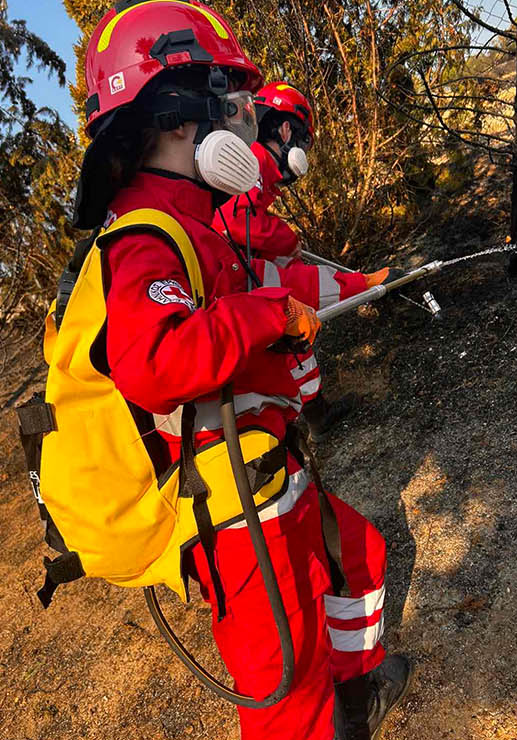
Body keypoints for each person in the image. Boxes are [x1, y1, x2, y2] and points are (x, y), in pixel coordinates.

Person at [72, 2, 411, 737]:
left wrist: (323, 305)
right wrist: (266, 317)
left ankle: (355, 698)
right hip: (232, 508)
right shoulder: (144, 235)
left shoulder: (192, 222)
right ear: (173, 118)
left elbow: (249, 313)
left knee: (351, 563)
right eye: (226, 101)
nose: (242, 119)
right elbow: (156, 361)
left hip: (263, 473)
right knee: (288, 696)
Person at [216, 80, 360, 440]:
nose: (299, 151)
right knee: (293, 299)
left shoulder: (248, 163)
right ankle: (300, 420)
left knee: (290, 334)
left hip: (228, 272)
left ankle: (316, 415)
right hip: (226, 279)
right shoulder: (251, 161)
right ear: (284, 129)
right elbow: (236, 220)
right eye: (301, 140)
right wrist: (286, 239)